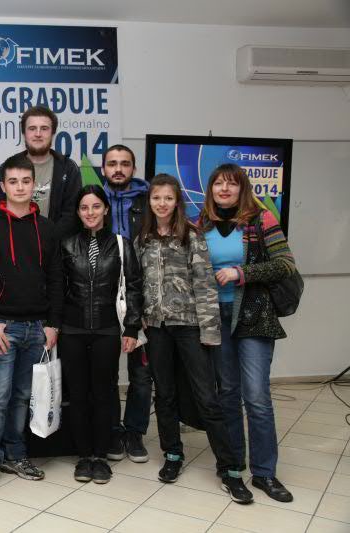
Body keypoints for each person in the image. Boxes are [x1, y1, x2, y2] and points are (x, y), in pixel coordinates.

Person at [136, 174, 253, 504]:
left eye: (168, 198)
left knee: (207, 398)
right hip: (156, 328)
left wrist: (210, 331)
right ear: (150, 202)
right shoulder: (142, 238)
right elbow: (138, 282)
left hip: (189, 327)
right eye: (156, 198)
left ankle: (229, 469)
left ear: (177, 202)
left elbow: (205, 285)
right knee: (165, 394)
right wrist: (140, 320)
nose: (162, 204)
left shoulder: (191, 235)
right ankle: (172, 453)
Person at [0, 154, 64, 495]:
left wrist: (53, 324)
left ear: (34, 185)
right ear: (2, 186)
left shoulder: (47, 229)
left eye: (26, 181)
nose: (20, 187)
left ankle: (16, 454)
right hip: (2, 328)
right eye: (13, 182)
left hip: (37, 328)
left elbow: (57, 280)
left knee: (22, 396)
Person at [200, 163, 297, 503]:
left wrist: (241, 273)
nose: (224, 189)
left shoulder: (261, 219)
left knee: (256, 396)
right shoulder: (202, 223)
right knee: (227, 393)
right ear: (211, 190)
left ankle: (265, 472)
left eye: (232, 184)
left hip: (254, 315)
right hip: (216, 317)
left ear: (242, 189)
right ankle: (233, 464)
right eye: (218, 184)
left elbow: (285, 264)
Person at [59, 185, 142, 484]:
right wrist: (54, 325)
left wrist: (132, 327)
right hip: (72, 330)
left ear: (106, 209)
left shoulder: (122, 244)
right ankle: (84, 457)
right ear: (78, 212)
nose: (90, 212)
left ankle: (101, 456)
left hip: (107, 329)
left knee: (104, 393)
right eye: (84, 207)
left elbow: (134, 287)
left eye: (96, 206)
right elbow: (57, 288)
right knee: (78, 394)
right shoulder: (67, 244)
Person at [101, 144, 152, 463]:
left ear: (134, 168)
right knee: (105, 373)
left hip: (141, 299)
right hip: (103, 300)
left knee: (142, 375)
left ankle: (134, 433)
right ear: (103, 168)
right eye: (112, 163)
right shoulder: (93, 201)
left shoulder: (150, 203)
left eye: (124, 163)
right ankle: (110, 431)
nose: (118, 169)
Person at [0, 106, 81, 238]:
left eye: (44, 128)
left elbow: (71, 215)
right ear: (24, 133)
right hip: (17, 242)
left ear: (53, 133)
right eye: (32, 128)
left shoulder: (68, 168)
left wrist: (48, 239)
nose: (38, 134)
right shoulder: (8, 167)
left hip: (56, 244)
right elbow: (1, 211)